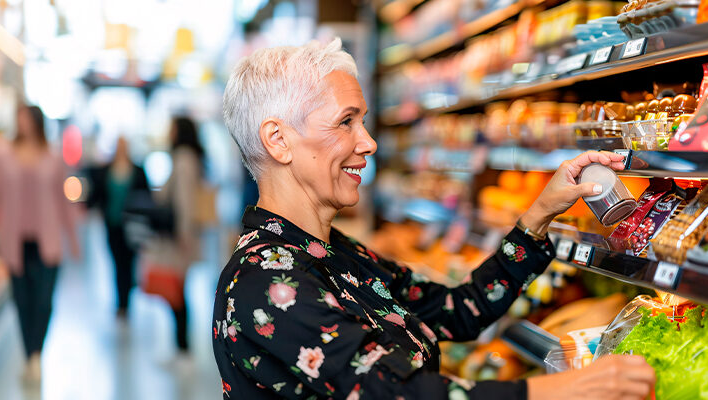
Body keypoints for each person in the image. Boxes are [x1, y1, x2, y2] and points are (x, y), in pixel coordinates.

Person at [212, 39, 656, 399]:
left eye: (363, 121)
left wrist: (539, 213)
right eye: (346, 122)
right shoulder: (265, 284)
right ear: (278, 140)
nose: (368, 143)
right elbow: (398, 394)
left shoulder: (332, 251)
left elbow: (456, 311)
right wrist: (560, 390)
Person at [0, 105, 79, 380]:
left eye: (25, 118)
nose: (21, 124)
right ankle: (30, 355)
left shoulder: (53, 157)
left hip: (47, 241)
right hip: (15, 242)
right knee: (22, 300)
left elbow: (63, 201)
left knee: (44, 301)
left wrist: (74, 238)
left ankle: (36, 352)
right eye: (18, 118)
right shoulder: (4, 156)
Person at [143, 116, 205, 352]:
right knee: (178, 291)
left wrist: (183, 233)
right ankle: (181, 348)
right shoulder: (189, 158)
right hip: (183, 234)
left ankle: (183, 348)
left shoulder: (183, 160)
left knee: (177, 293)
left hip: (179, 236)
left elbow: (184, 200)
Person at [85, 136, 151, 317]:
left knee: (129, 262)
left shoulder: (137, 170)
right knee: (116, 262)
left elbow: (147, 197)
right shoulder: (107, 170)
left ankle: (126, 298)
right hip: (112, 224)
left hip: (132, 226)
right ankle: (121, 300)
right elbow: (97, 194)